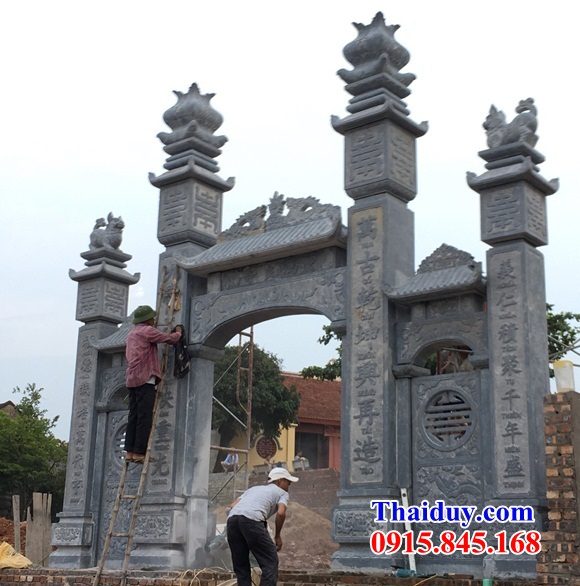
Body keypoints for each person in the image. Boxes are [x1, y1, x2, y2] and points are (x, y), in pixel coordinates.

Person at [124, 305, 183, 463]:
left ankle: (129, 452)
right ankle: (139, 452)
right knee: (145, 417)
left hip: (132, 379)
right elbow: (170, 339)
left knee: (134, 415)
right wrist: (178, 333)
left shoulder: (131, 334)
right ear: (148, 319)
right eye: (152, 317)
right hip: (145, 378)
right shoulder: (147, 331)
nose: (154, 320)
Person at [226, 467, 298, 586]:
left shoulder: (253, 489)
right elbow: (281, 513)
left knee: (241, 565)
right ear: (279, 481)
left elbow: (231, 507)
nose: (289, 485)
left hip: (232, 520)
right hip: (252, 520)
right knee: (270, 561)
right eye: (288, 481)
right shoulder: (282, 493)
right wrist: (277, 536)